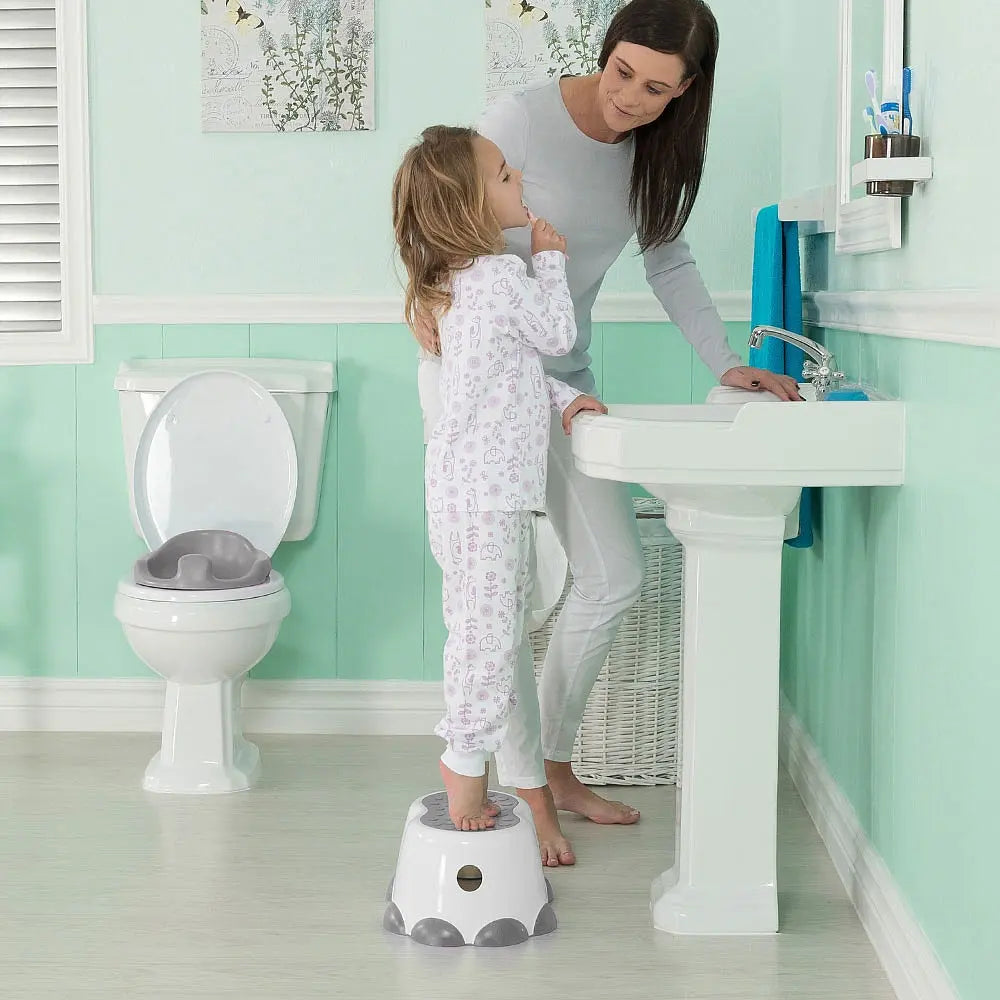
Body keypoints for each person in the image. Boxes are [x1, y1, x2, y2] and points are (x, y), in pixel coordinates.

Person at [411, 0, 802, 864]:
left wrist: (723, 360)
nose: (629, 98)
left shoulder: (657, 155)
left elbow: (668, 261)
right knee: (494, 606)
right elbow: (449, 211)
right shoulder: (520, 118)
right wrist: (421, 300)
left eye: (657, 89)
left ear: (685, 91)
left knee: (614, 576)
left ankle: (553, 762)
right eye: (622, 72)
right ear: (605, 52)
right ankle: (524, 792)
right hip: (482, 387)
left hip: (563, 382)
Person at [392, 125, 608, 832]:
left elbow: (504, 376)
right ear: (470, 204)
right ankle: (464, 763)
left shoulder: (455, 285)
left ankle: (472, 759)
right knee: (488, 640)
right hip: (489, 498)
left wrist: (563, 398)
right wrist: (549, 261)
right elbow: (556, 339)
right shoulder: (501, 277)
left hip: (460, 491)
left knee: (480, 628)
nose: (520, 182)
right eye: (506, 176)